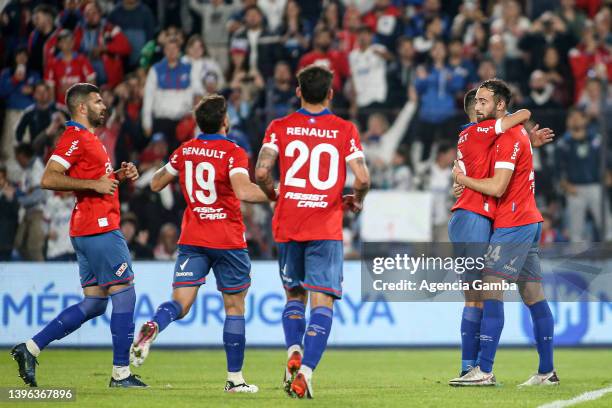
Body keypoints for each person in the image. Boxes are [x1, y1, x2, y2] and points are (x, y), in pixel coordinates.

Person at [130, 94, 268, 393]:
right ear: (224, 121)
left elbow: (154, 183)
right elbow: (244, 191)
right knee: (234, 307)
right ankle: (235, 380)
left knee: (180, 304)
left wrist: (174, 166)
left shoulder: (186, 151)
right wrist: (277, 193)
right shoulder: (234, 151)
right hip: (228, 239)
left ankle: (154, 324)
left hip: (193, 238)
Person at [10, 83, 146, 388]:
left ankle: (30, 349)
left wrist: (116, 178)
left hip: (87, 228)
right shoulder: (75, 136)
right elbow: (49, 177)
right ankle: (121, 374)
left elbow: (94, 181)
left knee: (96, 303)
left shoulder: (90, 140)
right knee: (124, 292)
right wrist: (96, 186)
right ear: (82, 107)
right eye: (98, 101)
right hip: (99, 228)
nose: (104, 105)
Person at [255, 65, 371, 398]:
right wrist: (357, 201)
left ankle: (294, 348)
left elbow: (261, 171)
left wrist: (276, 194)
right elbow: (362, 179)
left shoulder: (279, 126)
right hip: (325, 225)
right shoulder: (344, 129)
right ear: (331, 94)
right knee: (322, 302)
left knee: (294, 296)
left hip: (288, 223)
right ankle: (305, 371)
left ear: (298, 91)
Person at [450, 79, 559, 387]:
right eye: (476, 102)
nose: (477, 106)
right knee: (532, 294)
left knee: (489, 287)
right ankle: (547, 372)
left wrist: (461, 178)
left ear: (500, 105)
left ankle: (483, 370)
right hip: (527, 219)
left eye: (484, 101)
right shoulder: (509, 135)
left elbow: (498, 186)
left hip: (513, 221)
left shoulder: (508, 135)